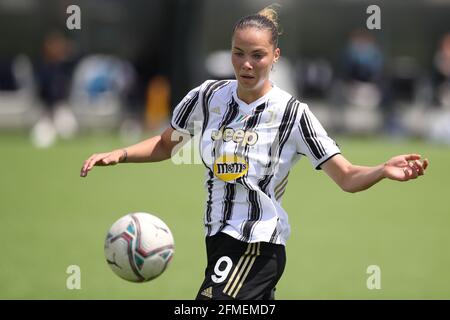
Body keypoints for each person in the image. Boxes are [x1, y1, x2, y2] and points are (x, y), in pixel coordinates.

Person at [80, 6, 429, 300]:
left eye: (257, 55)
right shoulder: (208, 96)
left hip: (257, 245)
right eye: (238, 53)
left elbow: (347, 176)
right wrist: (120, 154)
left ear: (275, 56)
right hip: (218, 240)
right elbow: (164, 145)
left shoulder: (293, 114)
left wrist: (382, 169)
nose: (246, 64)